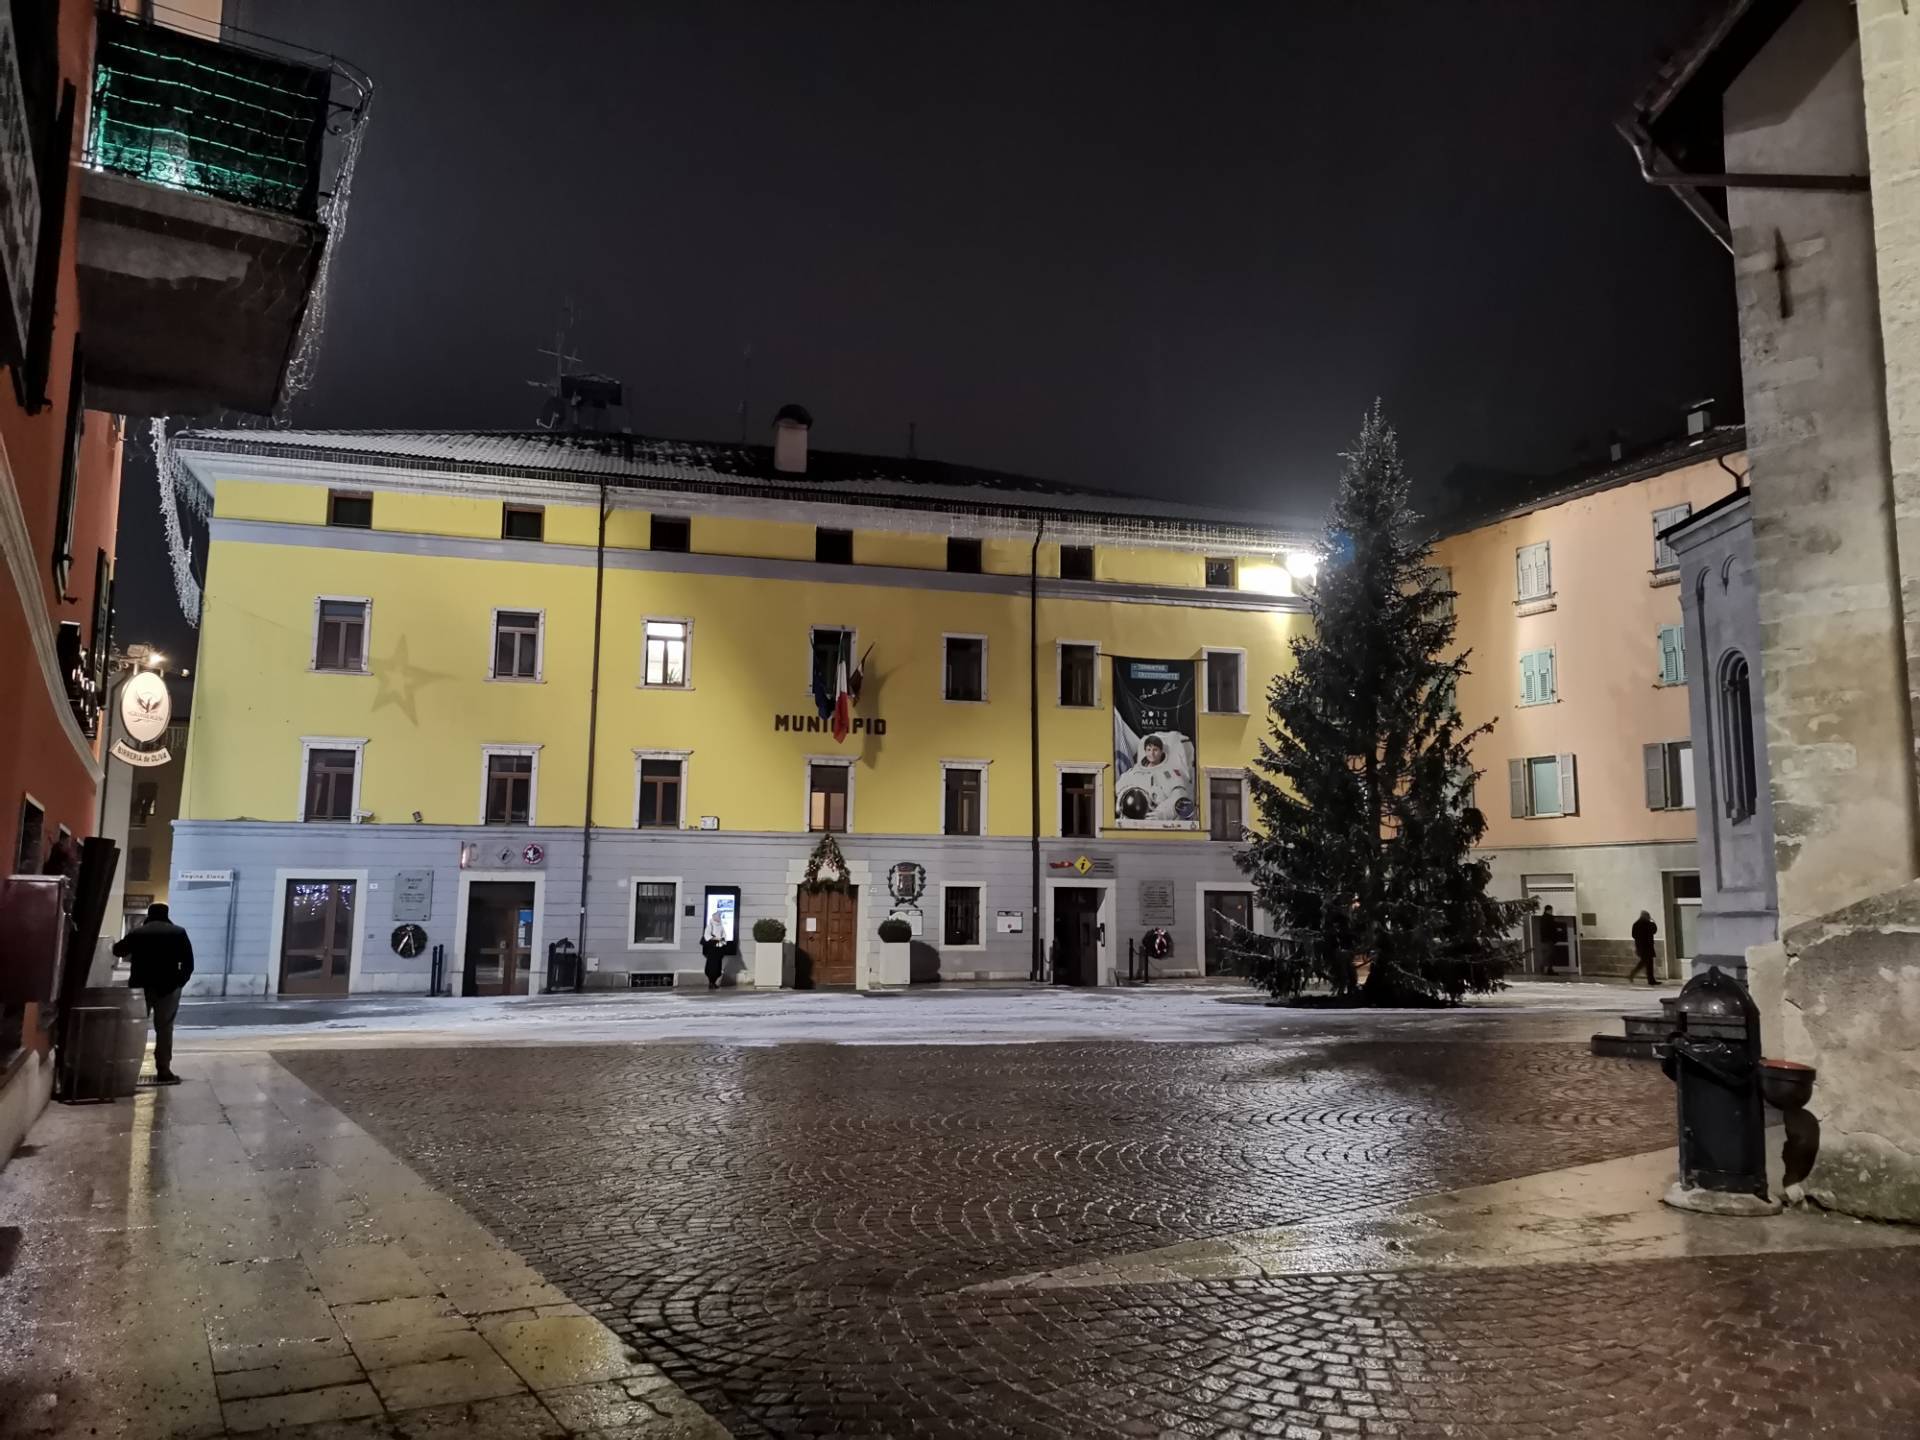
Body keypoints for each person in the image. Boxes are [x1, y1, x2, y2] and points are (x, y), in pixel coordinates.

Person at [112, 903, 194, 1084]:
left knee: (136, 1029)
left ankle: (129, 1070)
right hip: (168, 988)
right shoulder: (178, 932)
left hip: (140, 989)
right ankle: (164, 1070)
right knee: (165, 1029)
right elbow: (188, 963)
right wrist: (179, 982)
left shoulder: (138, 933)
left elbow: (118, 950)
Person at [1629, 910, 1661, 987]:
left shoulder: (1636, 924)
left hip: (1640, 946)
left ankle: (1634, 974)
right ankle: (1650, 980)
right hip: (1648, 946)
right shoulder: (1648, 924)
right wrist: (1653, 921)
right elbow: (1654, 930)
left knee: (1644, 962)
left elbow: (1633, 935)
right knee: (1648, 963)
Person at [700, 913, 728, 991]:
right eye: (718, 916)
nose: (719, 918)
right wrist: (715, 939)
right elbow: (707, 936)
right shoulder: (710, 926)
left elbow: (724, 936)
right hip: (712, 950)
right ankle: (711, 982)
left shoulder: (721, 926)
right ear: (715, 918)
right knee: (711, 966)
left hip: (718, 949)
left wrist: (721, 940)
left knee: (717, 966)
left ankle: (713, 982)